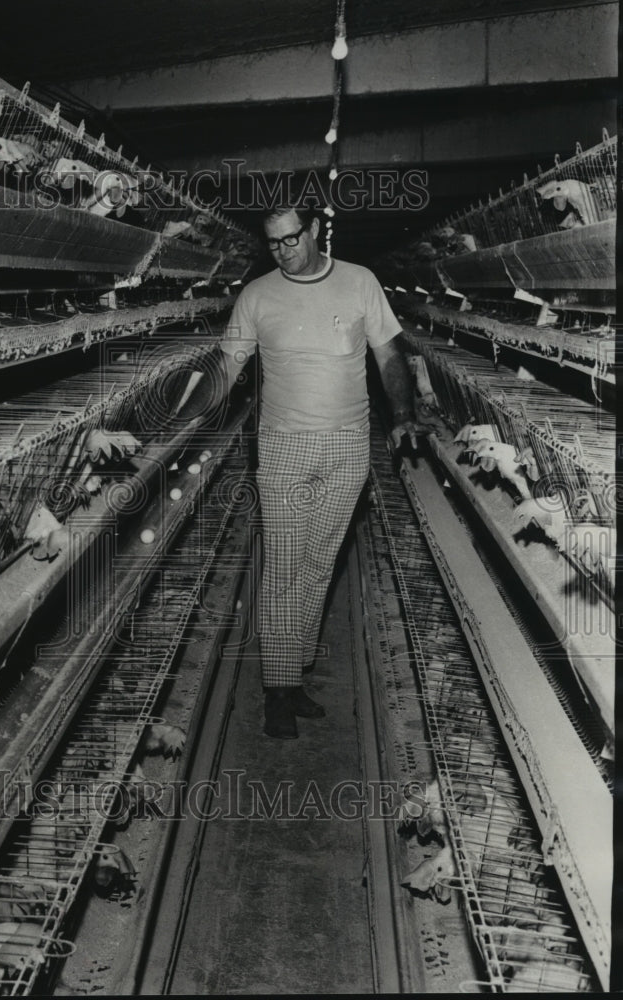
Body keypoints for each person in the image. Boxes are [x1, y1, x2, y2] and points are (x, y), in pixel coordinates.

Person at [218, 203, 421, 739]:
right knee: (284, 568)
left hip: (350, 448)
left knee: (318, 564)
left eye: (291, 239)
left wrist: (401, 417)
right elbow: (227, 367)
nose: (283, 251)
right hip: (284, 448)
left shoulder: (360, 282)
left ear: (314, 231)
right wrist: (181, 413)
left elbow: (388, 354)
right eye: (274, 243)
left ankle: (294, 672)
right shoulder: (257, 295)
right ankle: (277, 692)